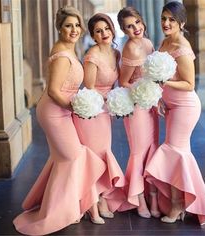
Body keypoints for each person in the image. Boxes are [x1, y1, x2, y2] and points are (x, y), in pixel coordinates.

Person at [13, 6, 107, 235]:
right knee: (74, 157)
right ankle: (60, 212)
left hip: (62, 110)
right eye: (68, 25)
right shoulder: (63, 55)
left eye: (76, 25)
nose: (74, 30)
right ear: (59, 28)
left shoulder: (69, 49)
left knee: (63, 160)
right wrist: (76, 108)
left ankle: (70, 207)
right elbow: (54, 91)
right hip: (54, 112)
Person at [144, 1, 205, 225]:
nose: (166, 23)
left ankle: (179, 204)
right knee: (176, 151)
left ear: (182, 23)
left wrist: (164, 81)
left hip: (185, 106)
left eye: (172, 19)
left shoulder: (183, 47)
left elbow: (188, 84)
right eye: (164, 18)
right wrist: (159, 95)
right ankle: (181, 202)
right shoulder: (165, 42)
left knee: (174, 150)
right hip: (170, 105)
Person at [73, 13, 126, 221]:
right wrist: (110, 100)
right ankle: (92, 205)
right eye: (98, 31)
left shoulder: (116, 53)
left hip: (105, 113)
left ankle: (102, 198)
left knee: (104, 154)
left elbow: (119, 83)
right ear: (93, 36)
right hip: (92, 111)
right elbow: (90, 88)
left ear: (112, 30)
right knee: (94, 159)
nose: (103, 33)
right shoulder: (91, 55)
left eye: (106, 29)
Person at [117, 7, 160, 218]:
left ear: (142, 21)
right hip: (136, 105)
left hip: (151, 103)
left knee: (152, 147)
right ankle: (139, 197)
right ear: (124, 30)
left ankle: (153, 196)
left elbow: (152, 75)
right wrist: (142, 93)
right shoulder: (130, 49)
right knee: (138, 151)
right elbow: (123, 81)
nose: (135, 29)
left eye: (137, 23)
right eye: (129, 27)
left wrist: (155, 95)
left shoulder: (148, 43)